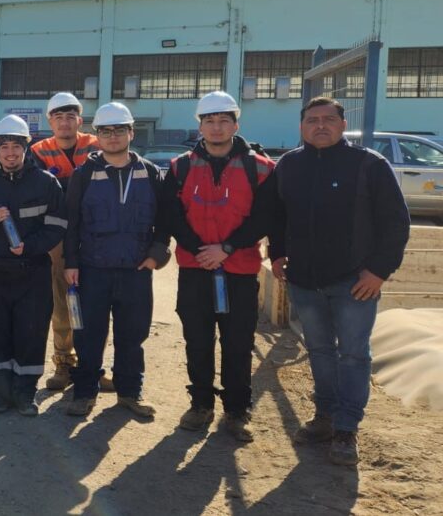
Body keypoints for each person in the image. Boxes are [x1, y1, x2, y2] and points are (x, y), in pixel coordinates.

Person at [270, 96, 410, 466]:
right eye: (312, 120)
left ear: (342, 124)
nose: (320, 125)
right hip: (304, 281)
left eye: (328, 119)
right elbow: (277, 214)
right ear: (301, 126)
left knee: (353, 354)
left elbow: (396, 224)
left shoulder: (368, 165)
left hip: (355, 282)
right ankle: (325, 416)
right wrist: (278, 253)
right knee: (318, 350)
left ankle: (346, 429)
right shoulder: (289, 165)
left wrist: (379, 271)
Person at [162, 92, 274, 442]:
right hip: (195, 269)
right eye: (209, 121)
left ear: (236, 124)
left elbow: (266, 217)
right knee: (197, 339)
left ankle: (237, 411)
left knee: (238, 343)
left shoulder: (261, 168)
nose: (216, 126)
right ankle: (200, 405)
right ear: (200, 126)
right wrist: (201, 250)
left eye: (223, 120)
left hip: (239, 269)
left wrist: (225, 248)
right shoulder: (180, 167)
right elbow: (171, 216)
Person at [61, 103, 169, 420]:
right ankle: (84, 393)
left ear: (130, 133)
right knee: (88, 334)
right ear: (97, 136)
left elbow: (165, 220)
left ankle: (129, 393)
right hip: (93, 270)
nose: (112, 136)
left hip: (136, 270)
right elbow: (72, 223)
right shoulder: (83, 176)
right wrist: (71, 262)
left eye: (119, 130)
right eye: (105, 131)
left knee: (132, 335)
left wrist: (156, 255)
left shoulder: (150, 173)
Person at [0, 115, 67, 416]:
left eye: (16, 147)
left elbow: (58, 224)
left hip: (32, 272)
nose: (10, 153)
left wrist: (31, 246)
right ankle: (0, 394)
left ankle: (25, 394)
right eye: (4, 147)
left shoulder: (46, 183)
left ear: (26, 148)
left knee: (31, 333)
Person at [30, 92, 110, 393]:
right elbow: (38, 192)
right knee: (62, 303)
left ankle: (93, 366)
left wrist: (63, 188)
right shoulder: (38, 150)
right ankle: (64, 362)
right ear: (50, 120)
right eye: (58, 117)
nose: (64, 122)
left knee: (97, 304)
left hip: (95, 236)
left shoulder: (98, 144)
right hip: (58, 239)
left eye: (70, 116)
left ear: (80, 118)